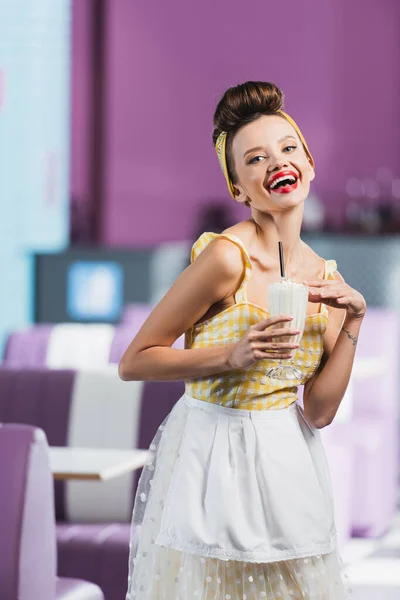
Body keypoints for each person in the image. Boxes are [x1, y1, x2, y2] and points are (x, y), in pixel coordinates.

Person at [119, 81, 366, 600]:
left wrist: (353, 325)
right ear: (239, 189)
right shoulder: (226, 258)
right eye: (254, 159)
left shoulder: (325, 277)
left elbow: (318, 412)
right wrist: (230, 355)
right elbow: (135, 360)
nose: (277, 162)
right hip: (213, 460)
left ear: (309, 163)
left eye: (287, 148)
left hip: (289, 464)